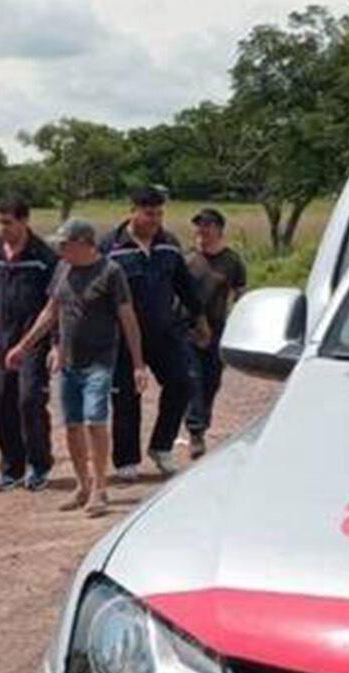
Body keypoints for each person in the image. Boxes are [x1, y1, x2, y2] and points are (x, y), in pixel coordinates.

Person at [6, 220, 144, 519]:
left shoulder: (111, 272)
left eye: (64, 244)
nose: (59, 249)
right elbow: (51, 312)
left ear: (83, 243)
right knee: (72, 424)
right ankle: (82, 485)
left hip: (100, 360)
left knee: (95, 420)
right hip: (69, 361)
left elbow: (128, 318)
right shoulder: (63, 268)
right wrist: (24, 346)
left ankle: (100, 488)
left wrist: (138, 364)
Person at [101, 188, 203, 481]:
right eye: (149, 213)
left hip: (164, 331)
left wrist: (200, 319)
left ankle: (161, 446)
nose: (155, 219)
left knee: (181, 383)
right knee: (126, 396)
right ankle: (126, 461)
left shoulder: (168, 244)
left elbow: (184, 285)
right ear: (132, 210)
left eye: (159, 213)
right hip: (121, 336)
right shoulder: (110, 247)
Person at [0, 195, 59, 493]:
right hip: (0, 342)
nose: (2, 228)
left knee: (29, 400)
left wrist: (57, 344)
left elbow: (57, 305)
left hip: (34, 342)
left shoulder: (43, 257)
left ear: (24, 221)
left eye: (8, 222)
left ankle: (39, 464)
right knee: (1, 402)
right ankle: (11, 468)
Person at [183, 208, 247, 460]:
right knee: (193, 379)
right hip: (187, 329)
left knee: (211, 380)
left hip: (218, 327)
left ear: (219, 229)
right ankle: (195, 431)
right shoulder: (188, 259)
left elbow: (240, 293)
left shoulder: (231, 261)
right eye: (199, 225)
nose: (202, 230)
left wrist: (239, 324)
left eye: (208, 225)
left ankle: (201, 423)